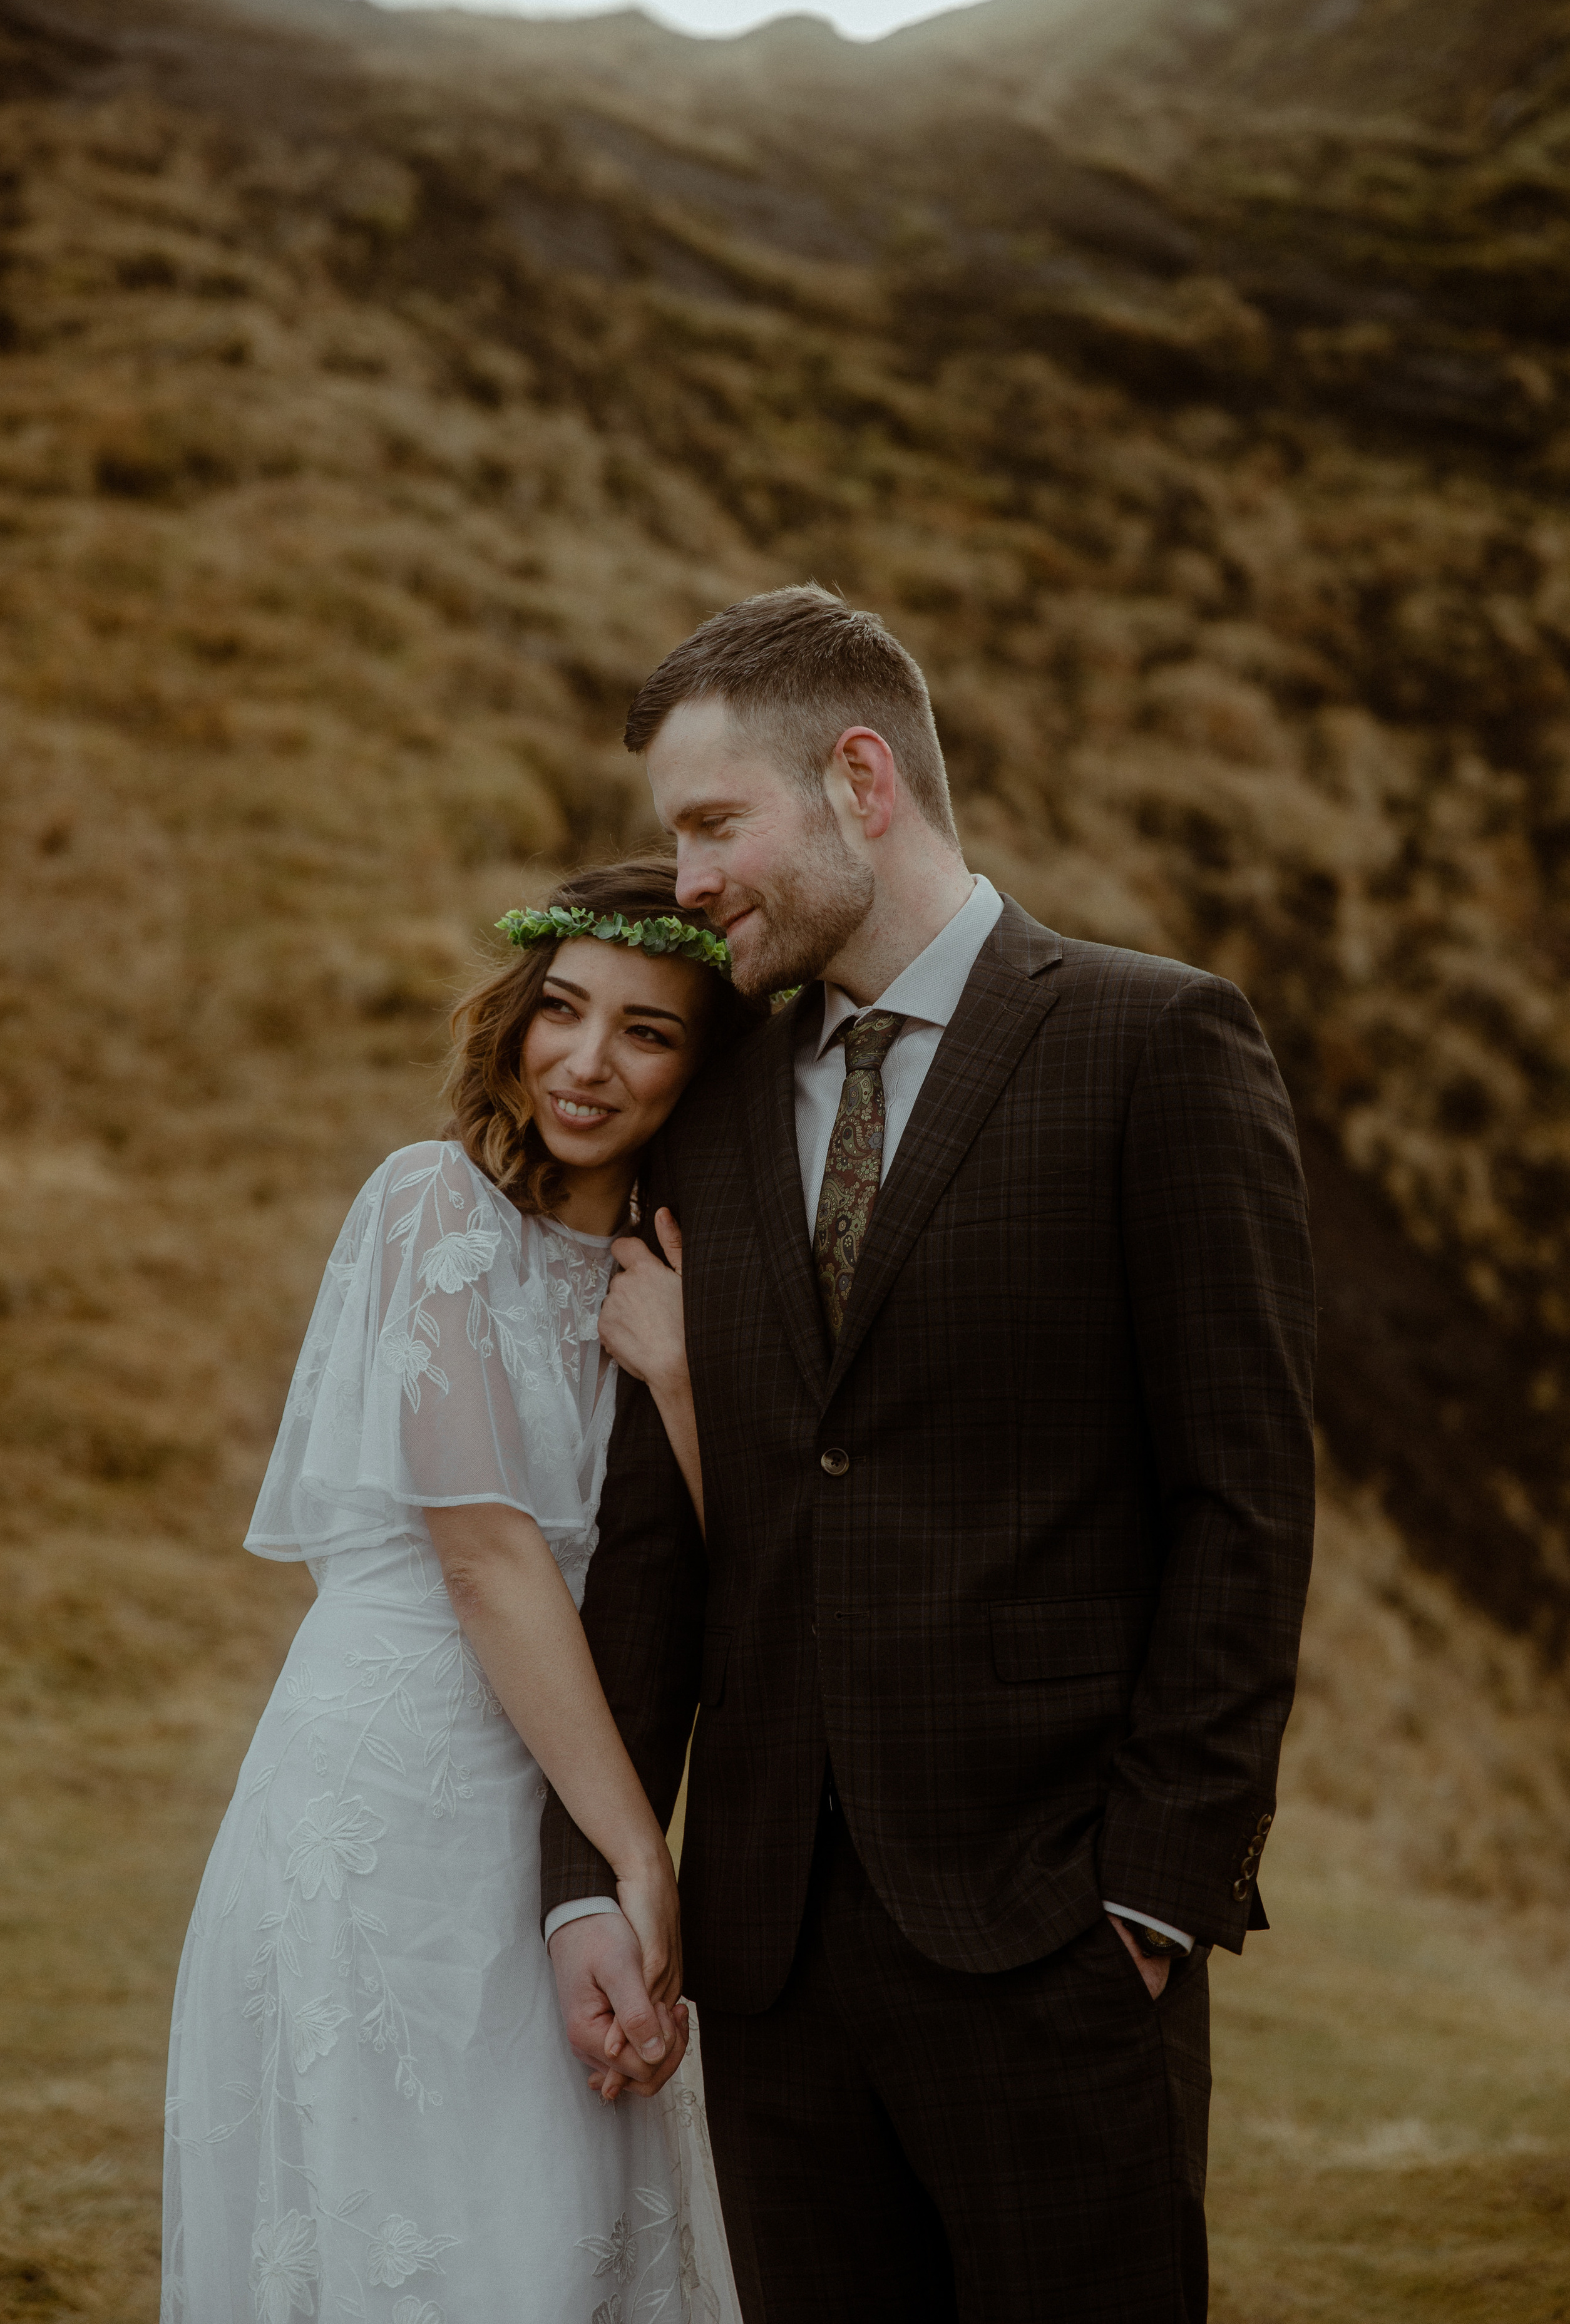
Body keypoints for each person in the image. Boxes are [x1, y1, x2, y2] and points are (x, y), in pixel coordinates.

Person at [541, 587, 1316, 2323]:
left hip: (1058, 1942)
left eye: (715, 823)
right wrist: (591, 1881)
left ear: (862, 779)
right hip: (771, 1961)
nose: (689, 879)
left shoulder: (1153, 1043)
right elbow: (660, 1542)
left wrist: (1153, 1899)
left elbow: (1244, 1507)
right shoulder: (719, 1097)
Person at [161, 860, 754, 2324]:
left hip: (556, 1784)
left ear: (705, 1069)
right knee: (425, 2221)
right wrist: (638, 1853)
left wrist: (681, 1372)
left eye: (645, 1032)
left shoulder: (683, 1278)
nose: (584, 1062)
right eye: (561, 1011)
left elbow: (735, 1558)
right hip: (395, 1789)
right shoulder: (435, 1209)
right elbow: (487, 1563)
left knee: (567, 2219)